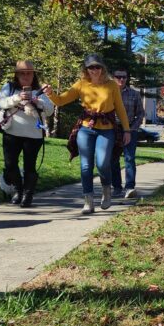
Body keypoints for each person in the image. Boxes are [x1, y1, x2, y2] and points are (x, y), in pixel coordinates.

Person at [42, 53, 130, 214]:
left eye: (97, 67)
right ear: (86, 69)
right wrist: (50, 94)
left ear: (102, 68)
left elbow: (120, 109)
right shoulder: (81, 84)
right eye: (91, 67)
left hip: (106, 128)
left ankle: (106, 191)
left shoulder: (111, 85)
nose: (94, 70)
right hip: (86, 128)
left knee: (103, 163)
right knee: (86, 165)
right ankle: (88, 201)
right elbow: (61, 100)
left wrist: (126, 129)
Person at [0, 60, 54, 208]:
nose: (26, 76)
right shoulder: (9, 88)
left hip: (33, 135)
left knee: (30, 166)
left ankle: (28, 194)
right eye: (22, 73)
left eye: (29, 73)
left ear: (34, 75)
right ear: (17, 75)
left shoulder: (40, 90)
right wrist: (18, 98)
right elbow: (0, 103)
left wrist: (38, 102)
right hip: (11, 133)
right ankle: (18, 191)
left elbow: (50, 110)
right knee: (10, 165)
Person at [109, 68, 145, 199]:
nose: (121, 79)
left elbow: (141, 113)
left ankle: (129, 187)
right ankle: (116, 187)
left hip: (129, 129)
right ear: (113, 77)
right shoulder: (109, 93)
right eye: (118, 76)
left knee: (129, 158)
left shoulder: (134, 94)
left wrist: (132, 129)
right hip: (112, 130)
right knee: (113, 160)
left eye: (124, 77)